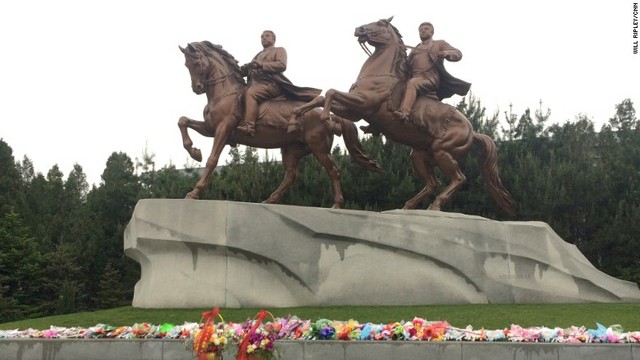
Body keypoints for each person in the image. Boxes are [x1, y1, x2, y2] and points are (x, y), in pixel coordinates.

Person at [237, 30, 321, 136]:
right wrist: (244, 69)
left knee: (251, 93)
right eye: (262, 36)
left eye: (267, 36)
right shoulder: (258, 55)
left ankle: (249, 126)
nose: (263, 38)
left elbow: (282, 65)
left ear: (273, 39)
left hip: (271, 84)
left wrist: (262, 64)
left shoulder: (279, 50)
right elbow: (247, 71)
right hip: (255, 84)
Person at [393, 22, 471, 122]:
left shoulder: (439, 44)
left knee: (412, 83)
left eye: (426, 29)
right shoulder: (415, 49)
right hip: (413, 77)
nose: (423, 31)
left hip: (429, 78)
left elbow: (457, 53)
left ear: (432, 32)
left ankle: (404, 113)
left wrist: (446, 53)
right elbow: (406, 64)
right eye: (420, 30)